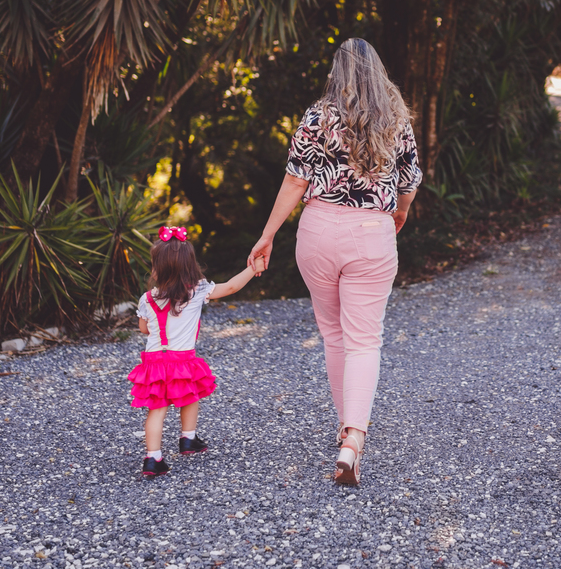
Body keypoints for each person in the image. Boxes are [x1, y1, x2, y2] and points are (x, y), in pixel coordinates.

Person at [247, 37, 422, 486]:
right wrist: (398, 214)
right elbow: (410, 179)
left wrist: (267, 235)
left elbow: (294, 180)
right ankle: (353, 440)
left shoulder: (317, 117)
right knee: (364, 339)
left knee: (333, 335)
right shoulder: (396, 118)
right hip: (372, 233)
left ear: (337, 71)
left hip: (318, 231)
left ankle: (346, 428)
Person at [128, 225, 263, 478]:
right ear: (189, 265)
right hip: (182, 359)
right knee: (189, 393)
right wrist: (253, 267)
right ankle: (187, 438)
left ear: (158, 268)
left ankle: (153, 457)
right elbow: (232, 287)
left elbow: (144, 329)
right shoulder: (197, 291)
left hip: (155, 361)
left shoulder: (147, 298)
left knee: (157, 409)